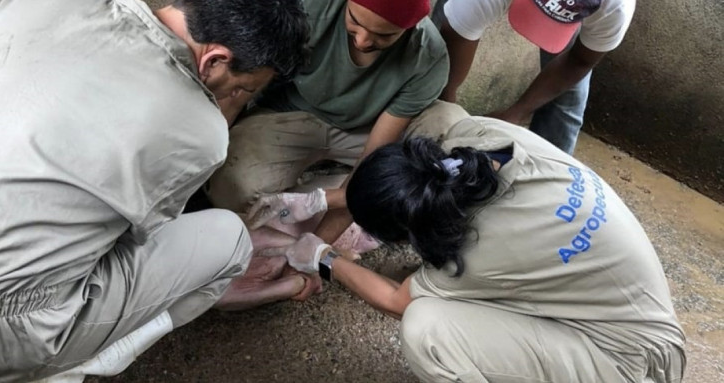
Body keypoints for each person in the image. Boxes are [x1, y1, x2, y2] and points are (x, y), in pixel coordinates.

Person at [0, 0, 310, 381]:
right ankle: (72, 367)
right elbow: (127, 244)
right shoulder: (200, 131)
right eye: (241, 89)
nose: (234, 100)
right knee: (230, 240)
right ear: (214, 59)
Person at [263, 102, 685, 382]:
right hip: (640, 318)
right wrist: (325, 198)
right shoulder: (480, 136)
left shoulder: (477, 252)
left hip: (632, 365)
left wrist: (322, 257)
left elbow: (397, 300)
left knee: (426, 327)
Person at [207, 0, 451, 247]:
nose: (362, 41)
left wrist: (315, 246)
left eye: (384, 35)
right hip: (291, 115)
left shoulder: (427, 56)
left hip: (368, 130)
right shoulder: (310, 7)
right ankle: (372, 201)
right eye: (354, 21)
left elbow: (372, 156)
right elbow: (240, 88)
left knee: (447, 130)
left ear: (411, 27)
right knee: (233, 188)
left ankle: (349, 199)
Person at [432, 0, 635, 154]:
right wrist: (446, 109)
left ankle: (552, 173)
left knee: (567, 95)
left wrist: (516, 113)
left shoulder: (615, 8)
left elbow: (580, 61)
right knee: (435, 55)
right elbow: (457, 33)